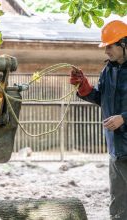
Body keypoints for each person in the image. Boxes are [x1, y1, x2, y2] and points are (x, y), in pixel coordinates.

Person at [70, 20, 127, 220]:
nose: (106, 51)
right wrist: (83, 86)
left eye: (110, 46)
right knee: (118, 200)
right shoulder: (108, 71)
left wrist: (123, 118)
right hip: (116, 148)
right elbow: (99, 98)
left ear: (124, 44)